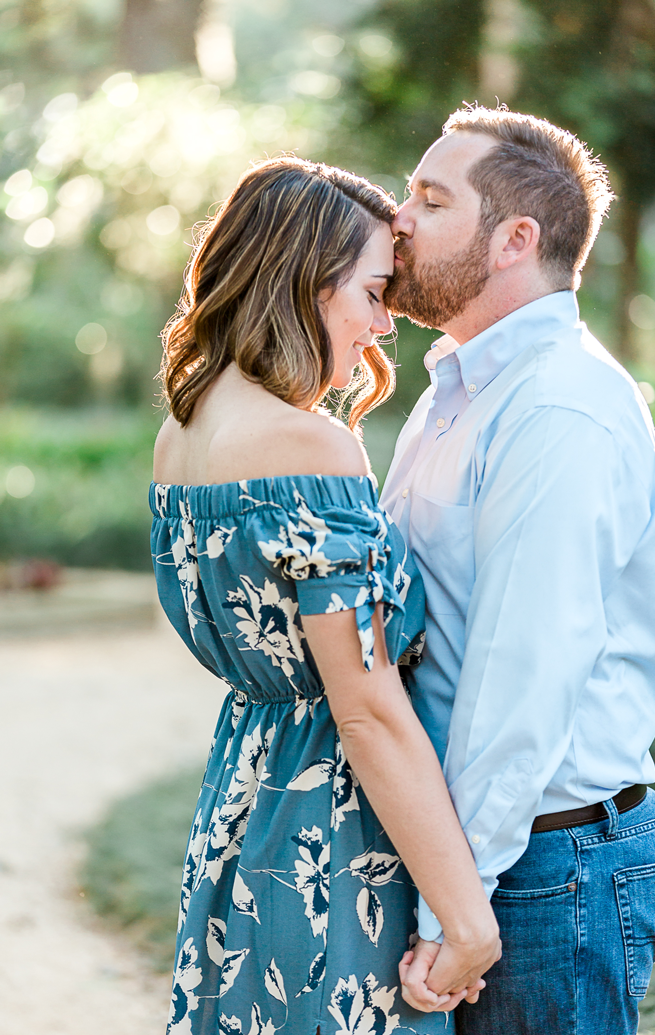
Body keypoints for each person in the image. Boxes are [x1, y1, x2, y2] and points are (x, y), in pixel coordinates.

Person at [150, 156, 500, 1034]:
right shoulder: (308, 447)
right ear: (306, 279)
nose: (385, 326)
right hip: (333, 832)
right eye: (375, 292)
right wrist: (467, 921)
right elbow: (368, 711)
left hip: (243, 802)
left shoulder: (181, 433)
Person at [377, 105, 655, 1032]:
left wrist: (451, 914)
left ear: (515, 239)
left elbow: (522, 684)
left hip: (549, 872)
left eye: (430, 200)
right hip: (485, 860)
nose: (397, 219)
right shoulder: (462, 391)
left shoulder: (556, 408)